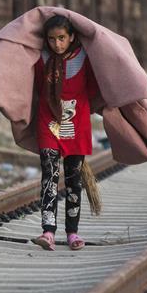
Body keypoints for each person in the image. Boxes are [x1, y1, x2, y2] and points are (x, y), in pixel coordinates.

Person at [33, 15, 99, 252]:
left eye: (62, 38)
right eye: (51, 39)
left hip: (76, 123)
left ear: (72, 37)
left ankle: (72, 233)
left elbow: (93, 88)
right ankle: (48, 232)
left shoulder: (85, 58)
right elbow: (37, 87)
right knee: (49, 174)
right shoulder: (41, 58)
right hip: (48, 121)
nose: (57, 45)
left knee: (73, 179)